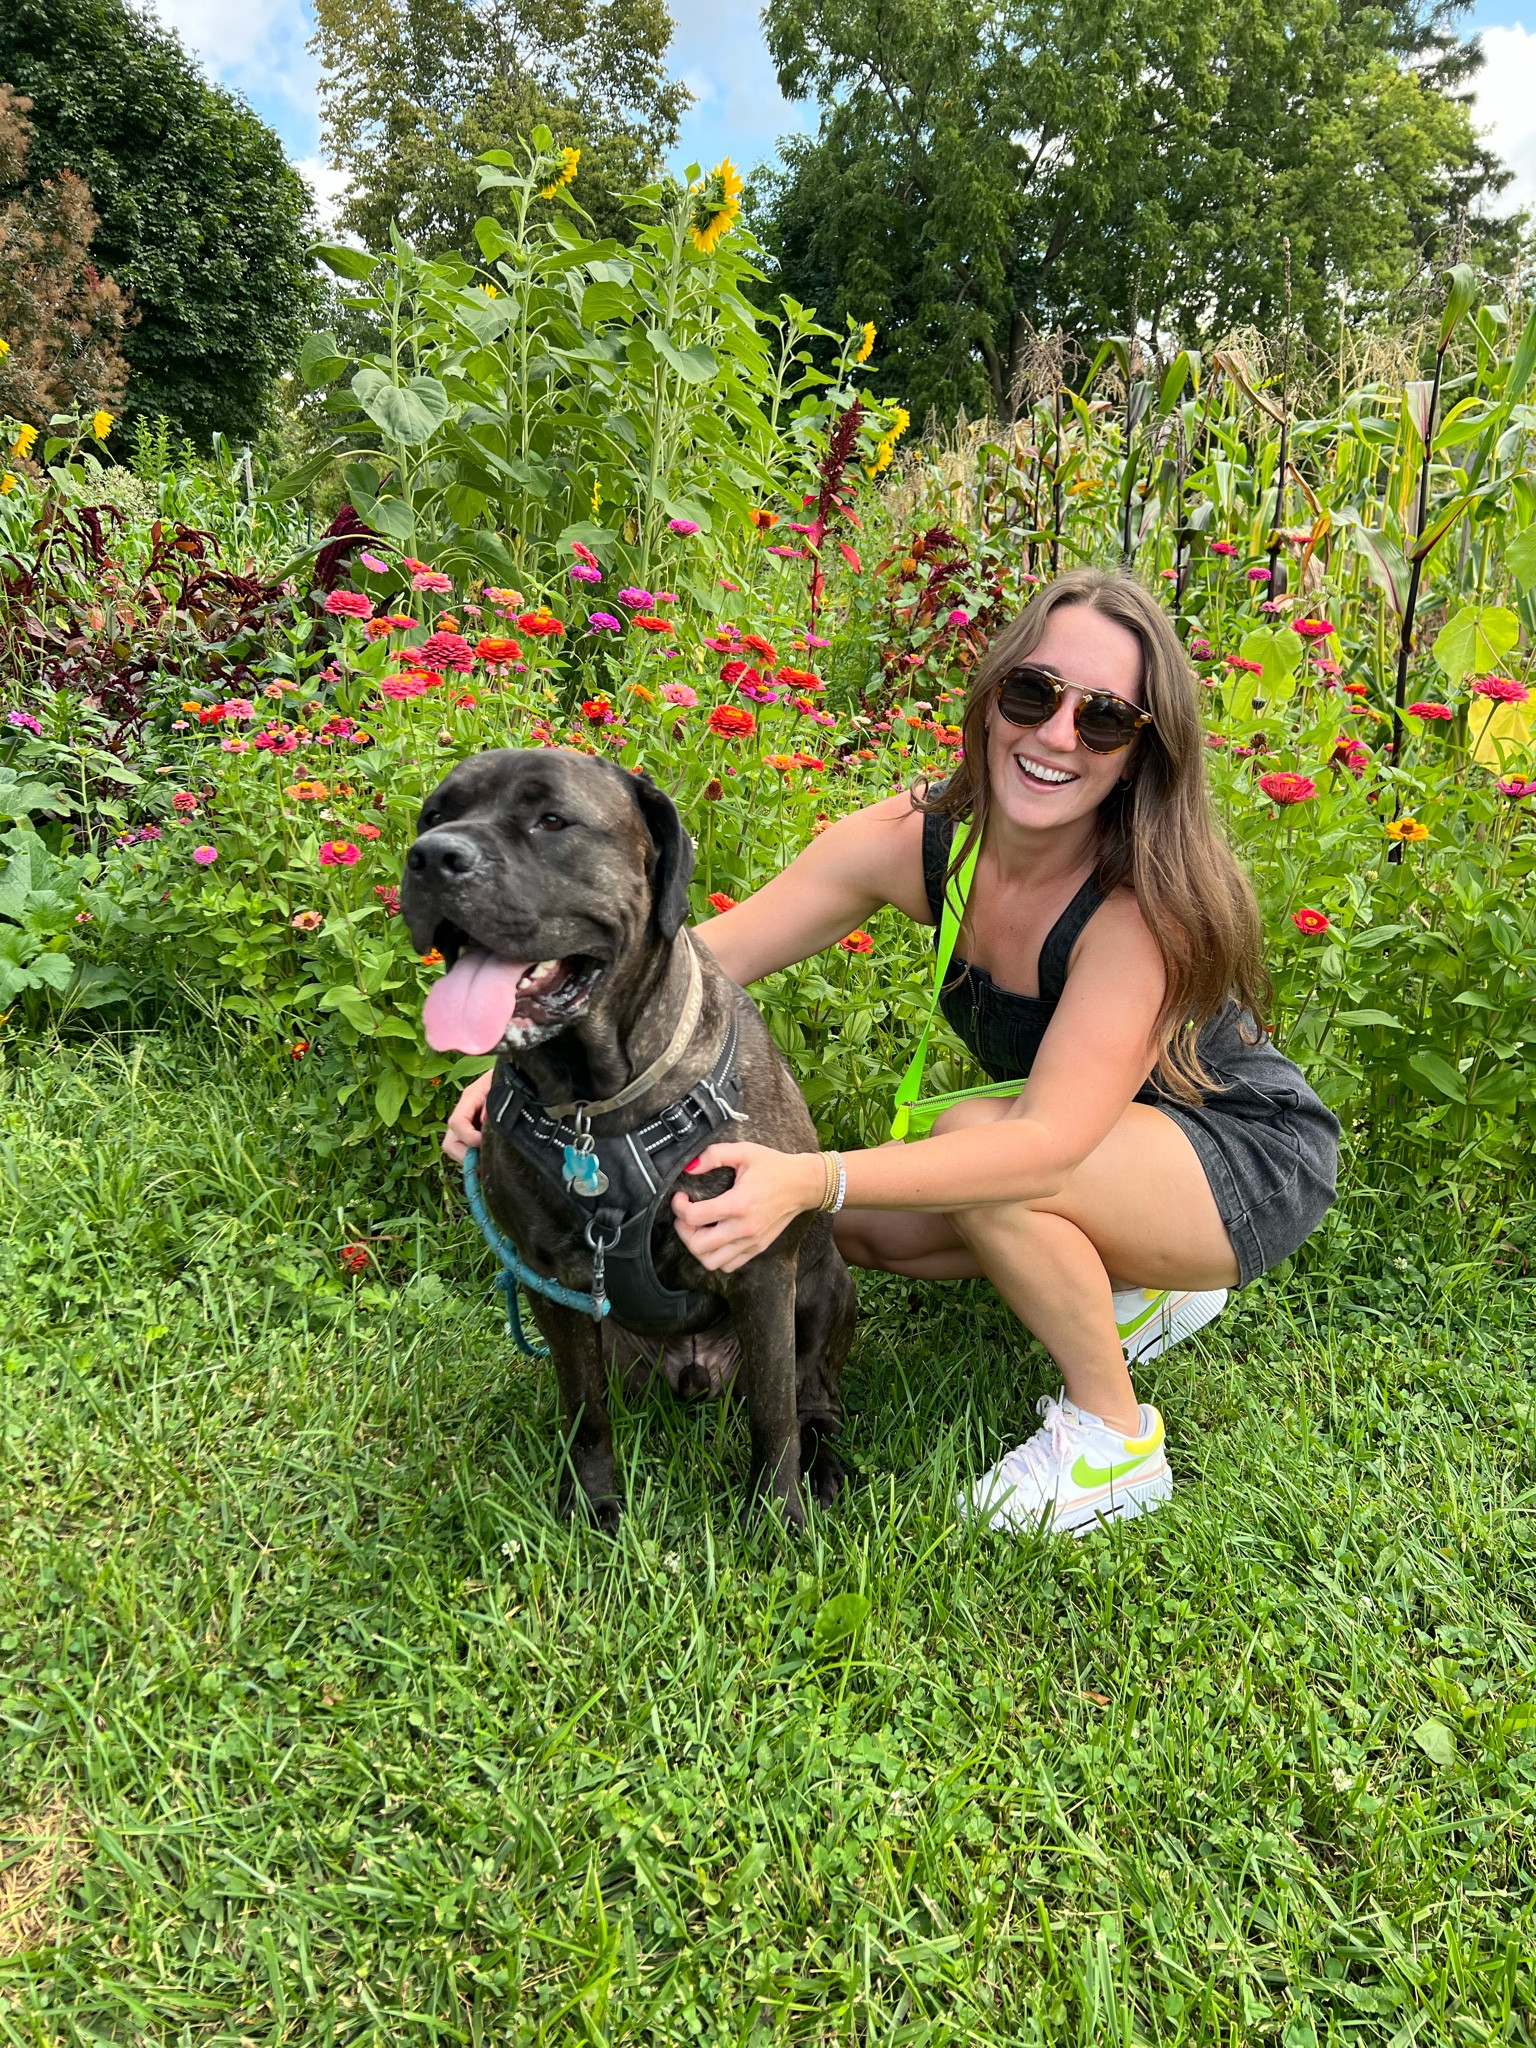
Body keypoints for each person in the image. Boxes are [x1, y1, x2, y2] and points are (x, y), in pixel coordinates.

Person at [443, 567, 1338, 1535]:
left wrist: (812, 1172)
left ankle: (1113, 1437)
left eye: (1105, 719)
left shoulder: (1137, 907)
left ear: (1141, 752)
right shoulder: (932, 839)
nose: (1055, 736)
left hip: (1238, 1150)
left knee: (954, 1151)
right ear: (993, 693)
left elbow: (1041, 1145)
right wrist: (518, 1045)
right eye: (1033, 694)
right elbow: (702, 959)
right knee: (855, 1230)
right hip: (1123, 1141)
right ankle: (1132, 1284)